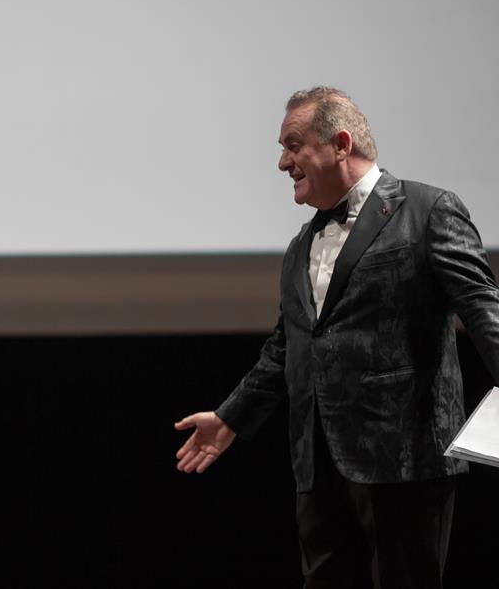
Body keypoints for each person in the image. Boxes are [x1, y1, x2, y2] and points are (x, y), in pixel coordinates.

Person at [175, 87, 499, 588]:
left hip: (405, 462)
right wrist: (231, 417)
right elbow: (286, 348)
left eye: (293, 145)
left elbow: (484, 310)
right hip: (318, 465)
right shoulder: (300, 245)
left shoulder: (428, 210)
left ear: (341, 144)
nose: (282, 163)